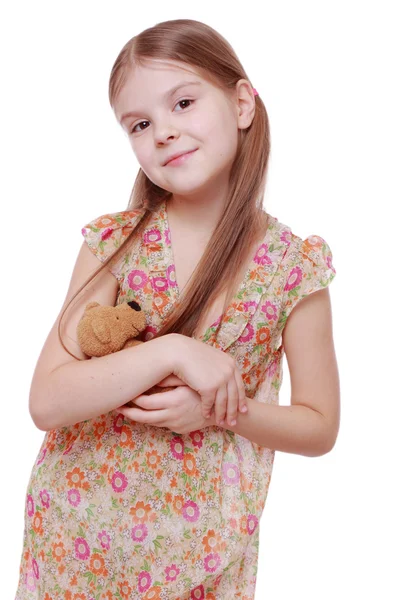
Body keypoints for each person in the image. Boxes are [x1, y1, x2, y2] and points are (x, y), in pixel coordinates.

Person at [15, 18, 340, 600]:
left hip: (202, 557)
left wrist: (219, 410)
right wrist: (172, 349)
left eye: (184, 102)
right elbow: (47, 401)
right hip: (77, 544)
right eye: (140, 124)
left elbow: (318, 426)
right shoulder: (115, 244)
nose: (163, 132)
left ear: (242, 103)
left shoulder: (293, 267)